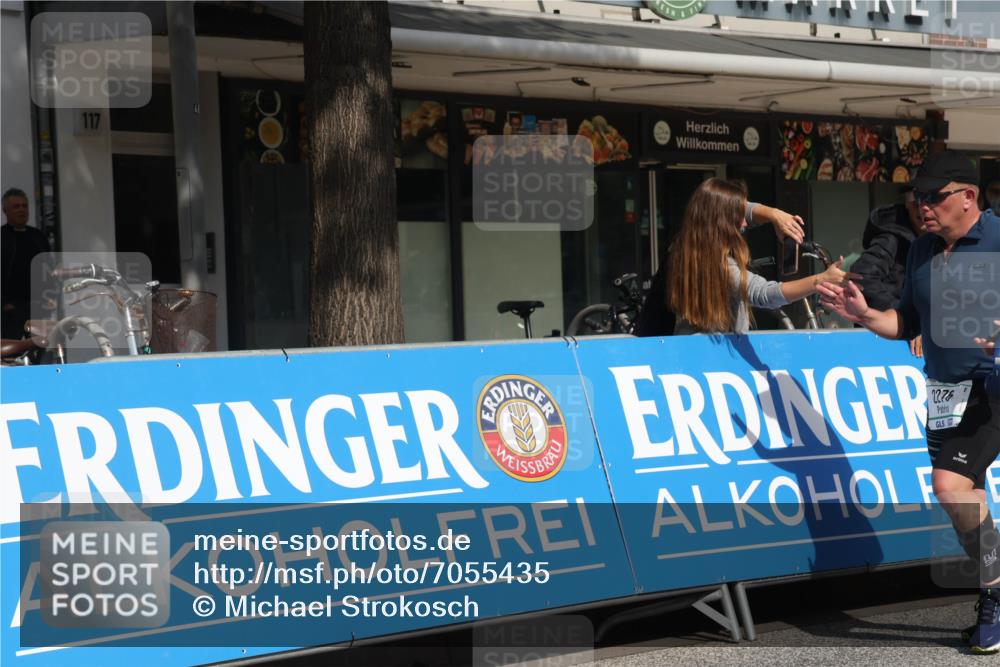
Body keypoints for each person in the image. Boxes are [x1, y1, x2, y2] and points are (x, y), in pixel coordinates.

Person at [817, 150, 1000, 654]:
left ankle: (996, 595)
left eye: (934, 196)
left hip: (992, 386)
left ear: (969, 196)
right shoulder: (920, 250)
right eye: (918, 196)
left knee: (948, 484)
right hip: (943, 393)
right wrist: (863, 313)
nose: (923, 205)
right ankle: (993, 592)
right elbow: (906, 325)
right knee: (966, 500)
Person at [637, 178, 852, 336]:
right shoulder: (719, 265)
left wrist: (774, 215)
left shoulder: (686, 246)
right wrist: (819, 280)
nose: (746, 222)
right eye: (739, 216)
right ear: (723, 219)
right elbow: (765, 294)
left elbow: (733, 206)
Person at [852, 187, 927, 357]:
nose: (922, 209)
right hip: (882, 341)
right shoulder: (890, 239)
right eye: (915, 204)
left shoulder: (939, 240)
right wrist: (904, 318)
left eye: (929, 202)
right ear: (907, 205)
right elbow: (862, 276)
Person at [1, 188, 50, 340]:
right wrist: (4, 303)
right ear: (5, 210)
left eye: (24, 206)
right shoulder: (2, 237)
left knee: (41, 350)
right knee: (13, 353)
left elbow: (50, 268)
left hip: (39, 306)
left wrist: (51, 296)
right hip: (12, 308)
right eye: (16, 206)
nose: (21, 210)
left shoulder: (38, 237)